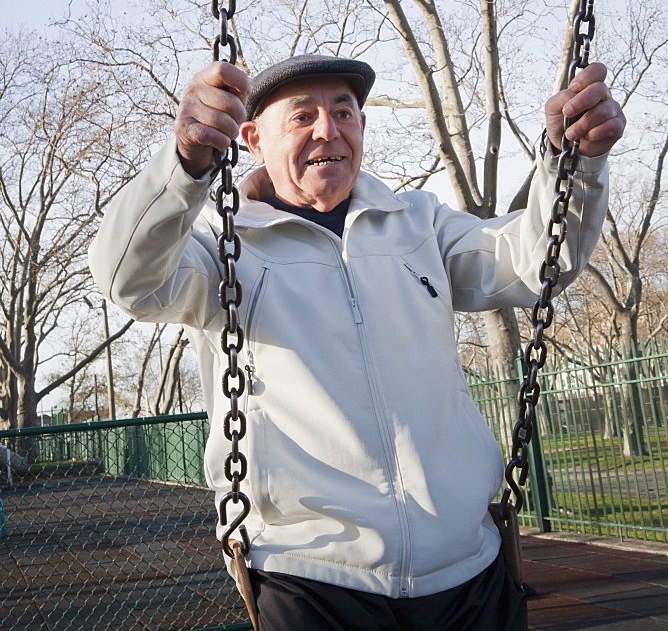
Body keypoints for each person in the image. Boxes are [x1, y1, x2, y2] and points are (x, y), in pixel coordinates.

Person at [88, 53, 625, 631]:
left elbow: (532, 264)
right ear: (251, 139)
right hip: (312, 576)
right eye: (301, 116)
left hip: (467, 565)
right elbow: (128, 279)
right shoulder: (222, 249)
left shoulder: (419, 222)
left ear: (362, 128)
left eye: (343, 112)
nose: (328, 129)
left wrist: (575, 161)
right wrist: (186, 162)